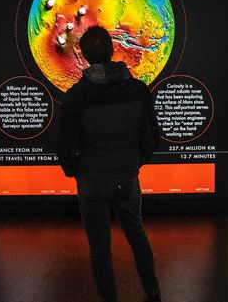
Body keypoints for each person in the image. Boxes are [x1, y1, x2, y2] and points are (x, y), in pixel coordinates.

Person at [57, 25, 161, 302]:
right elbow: (151, 137)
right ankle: (152, 293)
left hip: (91, 180)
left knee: (99, 247)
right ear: (113, 50)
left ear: (86, 56)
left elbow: (64, 144)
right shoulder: (138, 91)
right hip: (126, 176)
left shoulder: (77, 97)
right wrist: (135, 163)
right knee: (137, 234)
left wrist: (74, 170)